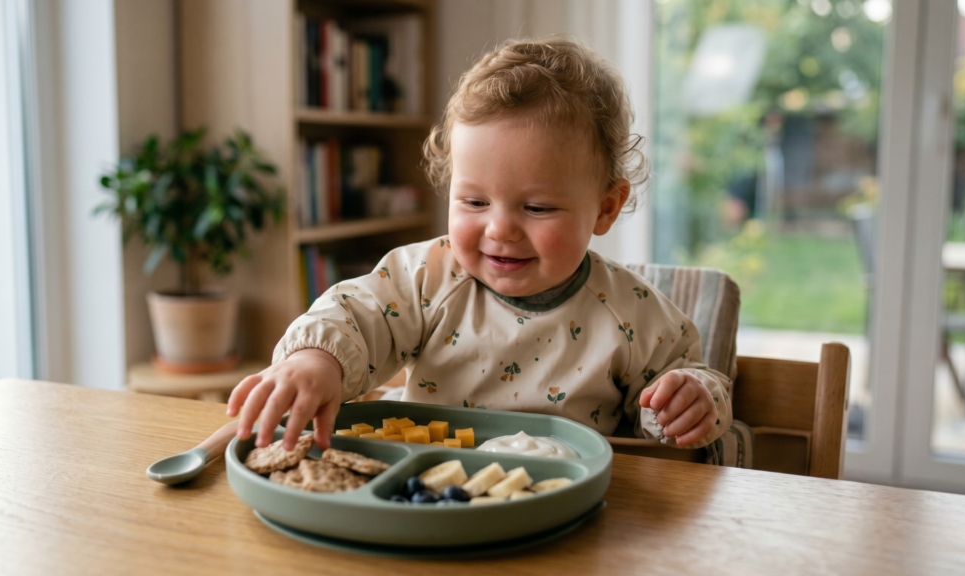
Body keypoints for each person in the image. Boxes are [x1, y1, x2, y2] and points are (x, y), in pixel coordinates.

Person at [227, 36, 733, 453]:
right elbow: (356, 315)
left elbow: (688, 375)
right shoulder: (427, 277)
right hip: (428, 489)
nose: (500, 230)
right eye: (473, 202)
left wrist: (689, 402)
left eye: (536, 208)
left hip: (566, 508)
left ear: (605, 208)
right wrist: (318, 360)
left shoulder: (630, 312)